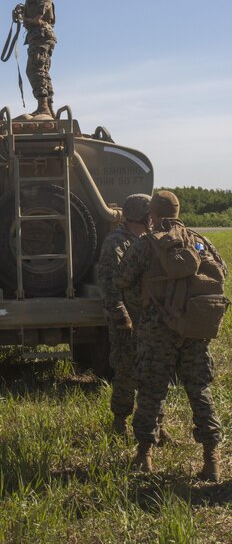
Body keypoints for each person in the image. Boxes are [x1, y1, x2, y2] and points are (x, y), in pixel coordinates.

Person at [115, 191, 225, 480]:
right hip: (193, 328)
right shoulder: (198, 240)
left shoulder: (144, 243)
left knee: (151, 391)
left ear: (153, 214)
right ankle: (212, 460)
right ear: (178, 211)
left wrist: (141, 308)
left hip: (156, 328)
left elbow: (122, 278)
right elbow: (221, 272)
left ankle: (144, 456)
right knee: (199, 391)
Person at [98, 194, 153, 436]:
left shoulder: (148, 240)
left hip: (149, 319)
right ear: (143, 216)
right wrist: (121, 315)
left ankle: (154, 424)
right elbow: (109, 283)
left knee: (152, 372)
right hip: (127, 320)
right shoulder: (116, 242)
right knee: (125, 370)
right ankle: (119, 422)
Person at [14, 0, 56, 116]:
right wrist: (23, 11)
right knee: (40, 69)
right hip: (38, 35)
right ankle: (48, 108)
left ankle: (44, 106)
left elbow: (46, 0)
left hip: (41, 34)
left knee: (35, 69)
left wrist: (38, 17)